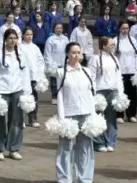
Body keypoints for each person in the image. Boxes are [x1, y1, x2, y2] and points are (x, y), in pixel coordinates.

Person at [0, 29, 33, 161]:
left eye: (15, 38)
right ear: (5, 40)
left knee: (17, 120)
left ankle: (14, 148)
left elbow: (25, 73)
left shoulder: (21, 54)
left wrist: (27, 91)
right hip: (2, 91)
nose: (13, 41)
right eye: (10, 38)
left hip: (17, 90)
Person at [54, 42, 97, 183]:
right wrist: (61, 118)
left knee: (85, 148)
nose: (76, 55)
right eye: (73, 52)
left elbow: (91, 94)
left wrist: (93, 115)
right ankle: (64, 178)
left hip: (85, 113)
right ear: (67, 54)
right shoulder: (62, 72)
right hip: (69, 114)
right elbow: (59, 95)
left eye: (78, 52)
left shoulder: (87, 71)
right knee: (65, 149)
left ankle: (85, 178)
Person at [88, 36, 123, 153]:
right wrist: (93, 92)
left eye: (114, 44)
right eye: (111, 44)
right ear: (103, 46)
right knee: (98, 117)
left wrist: (120, 92)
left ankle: (110, 141)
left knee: (111, 117)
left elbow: (119, 77)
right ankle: (98, 142)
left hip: (112, 91)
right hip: (100, 91)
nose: (113, 46)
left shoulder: (115, 59)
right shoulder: (95, 59)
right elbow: (91, 77)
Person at [114, 21, 137, 123]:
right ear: (119, 29)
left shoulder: (133, 40)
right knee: (120, 93)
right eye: (123, 28)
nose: (125, 31)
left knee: (132, 94)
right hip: (120, 72)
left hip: (131, 71)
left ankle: (131, 114)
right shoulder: (115, 41)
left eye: (127, 28)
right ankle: (119, 114)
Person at [20, 28, 44, 128]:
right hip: (23, 77)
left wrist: (40, 74)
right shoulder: (19, 47)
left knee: (34, 98)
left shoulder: (35, 48)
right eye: (27, 34)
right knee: (22, 97)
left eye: (31, 34)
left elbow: (40, 61)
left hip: (34, 77)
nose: (29, 37)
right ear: (23, 35)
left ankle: (33, 119)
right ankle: (21, 119)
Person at [44, 22, 70, 105]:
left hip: (63, 63)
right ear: (54, 29)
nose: (59, 30)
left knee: (63, 80)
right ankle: (54, 96)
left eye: (61, 28)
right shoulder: (50, 39)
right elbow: (47, 52)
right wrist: (49, 63)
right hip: (54, 64)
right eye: (57, 28)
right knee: (54, 82)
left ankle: (63, 96)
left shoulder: (65, 39)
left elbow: (68, 50)